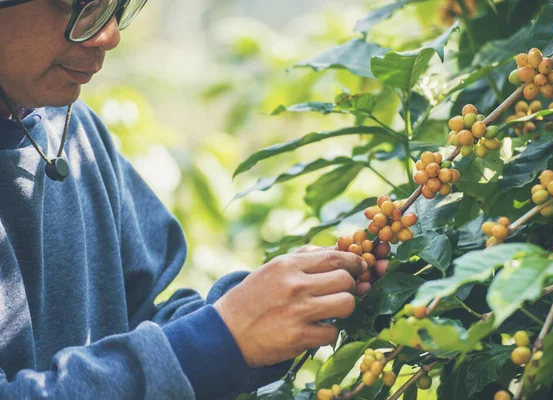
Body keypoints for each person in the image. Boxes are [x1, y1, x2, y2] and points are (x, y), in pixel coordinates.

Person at [0, 0, 380, 399]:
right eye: (76, 4)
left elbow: (141, 319)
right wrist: (219, 339)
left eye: (118, 5)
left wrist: (268, 313)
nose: (108, 34)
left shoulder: (77, 138)